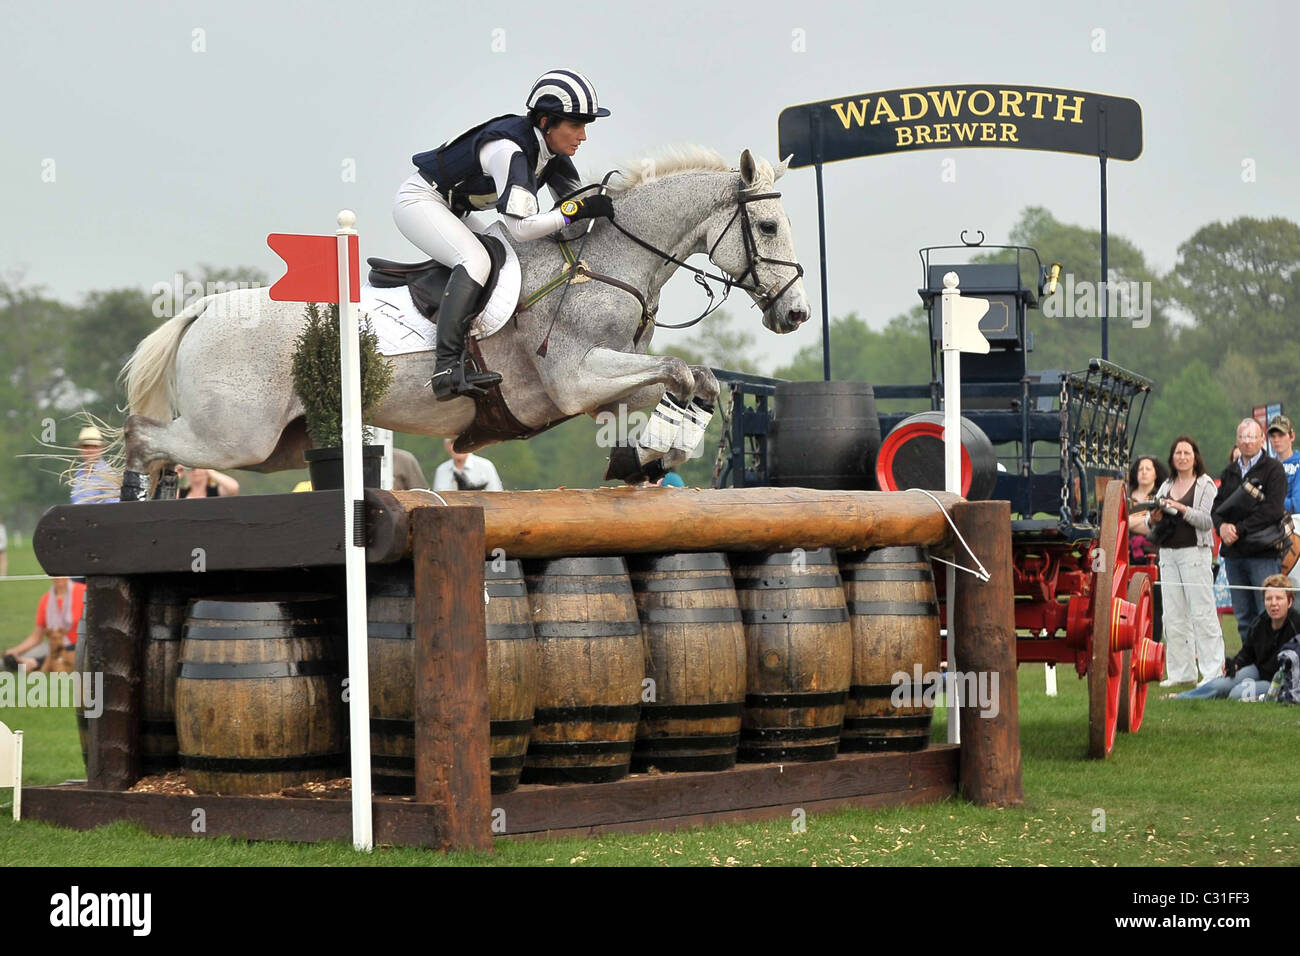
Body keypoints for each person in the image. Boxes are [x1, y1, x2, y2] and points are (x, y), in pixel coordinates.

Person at [396, 70, 615, 401]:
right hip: (420, 201)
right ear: (545, 122)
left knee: (507, 260)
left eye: (585, 126)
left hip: (455, 209)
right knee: (476, 261)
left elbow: (575, 212)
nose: (583, 136)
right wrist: (575, 211)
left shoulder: (553, 155)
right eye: (576, 125)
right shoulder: (510, 150)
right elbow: (522, 227)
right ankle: (445, 370)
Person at [1146, 437, 1224, 685]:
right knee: (1173, 616)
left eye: (1186, 452)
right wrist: (1156, 516)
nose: (1182, 456)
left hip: (1195, 553)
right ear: (1172, 457)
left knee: (1202, 613)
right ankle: (1181, 673)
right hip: (1168, 554)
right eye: (1177, 452)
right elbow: (1150, 520)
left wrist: (1179, 507)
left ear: (1195, 457)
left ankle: (1212, 672)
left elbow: (1206, 520)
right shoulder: (1166, 484)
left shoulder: (1205, 484)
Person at [1212, 418, 1287, 640]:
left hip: (1263, 554)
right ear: (1237, 441)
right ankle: (1250, 668)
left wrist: (1239, 528)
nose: (1247, 442)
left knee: (1269, 614)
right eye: (1243, 437)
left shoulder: (1274, 469)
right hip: (1235, 556)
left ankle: (1271, 668)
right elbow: (1216, 508)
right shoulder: (1229, 472)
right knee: (1244, 618)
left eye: (1252, 437)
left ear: (1262, 440)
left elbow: (1273, 510)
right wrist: (1222, 527)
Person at [1174, 574, 1298, 700]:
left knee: (1236, 694)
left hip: (1280, 680)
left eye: (1279, 598)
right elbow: (1247, 652)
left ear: (1289, 602)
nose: (1274, 603)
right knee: (1222, 684)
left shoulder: (1296, 625)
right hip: (1258, 670)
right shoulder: (1260, 622)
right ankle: (1181, 697)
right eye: (1269, 599)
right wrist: (1236, 663)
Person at [2, 577, 86, 674]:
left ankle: (36, 663)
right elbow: (36, 637)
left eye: (62, 573)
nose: (59, 578)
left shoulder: (83, 591)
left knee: (67, 657)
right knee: (9, 660)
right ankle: (28, 664)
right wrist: (15, 651)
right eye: (55, 574)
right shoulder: (46, 599)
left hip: (78, 647)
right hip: (52, 646)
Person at [1126, 454, 1168, 642]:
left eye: (1148, 469)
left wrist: (1129, 522)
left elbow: (1155, 525)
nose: (1143, 473)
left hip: (1154, 555)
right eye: (1140, 469)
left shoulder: (1160, 497)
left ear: (1156, 473)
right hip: (1127, 557)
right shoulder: (1125, 496)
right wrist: (1144, 520)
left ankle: (1153, 644)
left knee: (1155, 605)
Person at [433, 438, 503, 492]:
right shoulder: (441, 470)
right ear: (447, 446)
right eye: (453, 442)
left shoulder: (486, 466)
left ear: (469, 445)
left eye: (462, 442)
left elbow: (497, 496)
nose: (458, 446)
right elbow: (437, 501)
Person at [69, 425, 114, 504]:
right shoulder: (78, 474)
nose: (90, 450)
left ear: (101, 448)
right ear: (80, 449)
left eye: (94, 446)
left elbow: (113, 507)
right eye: (85, 446)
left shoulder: (108, 475)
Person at [1266, 414, 1300, 515]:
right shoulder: (1267, 466)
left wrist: (1268, 499)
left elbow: (1296, 506)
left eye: (1281, 435)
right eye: (1273, 436)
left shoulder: (1298, 464)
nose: (1276, 440)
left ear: (1292, 436)